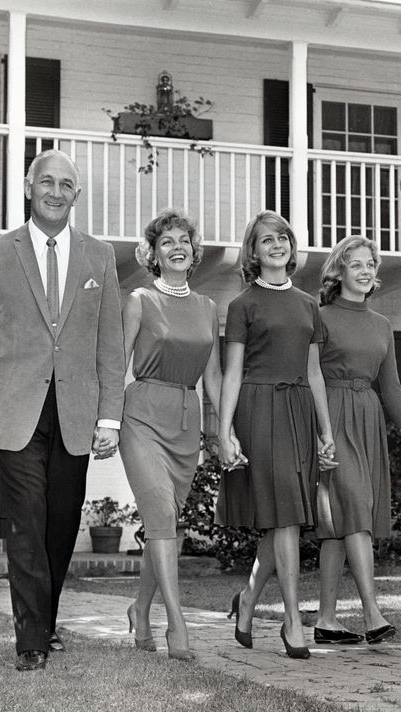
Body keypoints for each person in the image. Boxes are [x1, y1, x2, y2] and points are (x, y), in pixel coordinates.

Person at [0, 149, 125, 672]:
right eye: (46, 182)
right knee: (27, 522)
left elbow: (110, 344)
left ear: (77, 194)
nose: (56, 192)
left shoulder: (100, 257)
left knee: (58, 525)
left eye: (66, 184)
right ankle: (30, 639)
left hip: (75, 414)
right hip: (14, 412)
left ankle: (45, 623)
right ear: (28, 189)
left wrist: (110, 417)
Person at [217, 210, 335, 659]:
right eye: (266, 239)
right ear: (253, 251)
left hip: (298, 410)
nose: (276, 244)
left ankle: (247, 600)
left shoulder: (308, 305)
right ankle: (291, 619)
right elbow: (231, 372)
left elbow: (315, 372)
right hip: (258, 410)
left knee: (282, 516)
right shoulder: (242, 304)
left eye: (283, 237)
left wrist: (326, 431)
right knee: (284, 515)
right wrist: (224, 431)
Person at [120, 209, 227, 661]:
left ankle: (140, 610)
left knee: (165, 526)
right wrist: (104, 422)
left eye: (184, 239)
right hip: (141, 416)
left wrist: (225, 429)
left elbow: (215, 376)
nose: (177, 246)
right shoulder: (140, 300)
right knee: (163, 517)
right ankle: (177, 626)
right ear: (154, 253)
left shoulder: (207, 308)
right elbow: (116, 363)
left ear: (194, 251)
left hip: (186, 421)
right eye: (167, 241)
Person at [313, 236, 401, 646]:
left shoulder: (382, 325)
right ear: (338, 271)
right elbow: (311, 375)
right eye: (355, 264)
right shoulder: (318, 316)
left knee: (340, 524)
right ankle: (372, 613)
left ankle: (325, 620)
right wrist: (320, 431)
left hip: (369, 417)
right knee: (354, 506)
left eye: (370, 264)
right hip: (331, 415)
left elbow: (391, 387)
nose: (364, 270)